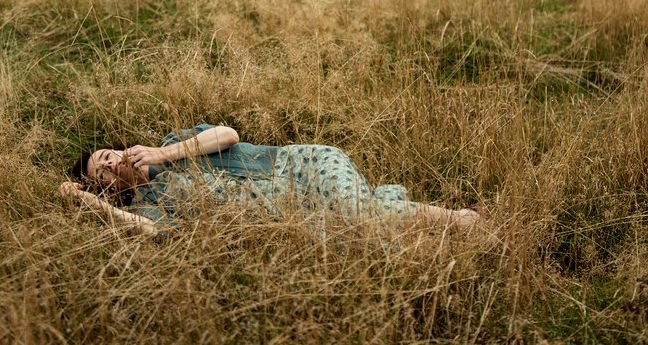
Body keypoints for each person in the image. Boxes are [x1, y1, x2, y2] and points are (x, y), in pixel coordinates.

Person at [59, 123, 486, 239]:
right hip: (291, 211)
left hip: (299, 167)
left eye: (108, 155)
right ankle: (459, 224)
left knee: (359, 214)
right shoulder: (147, 205)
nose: (111, 165)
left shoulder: (172, 143)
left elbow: (228, 135)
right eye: (102, 173)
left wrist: (164, 153)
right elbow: (154, 232)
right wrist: (88, 203)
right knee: (355, 235)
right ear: (108, 189)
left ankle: (465, 221)